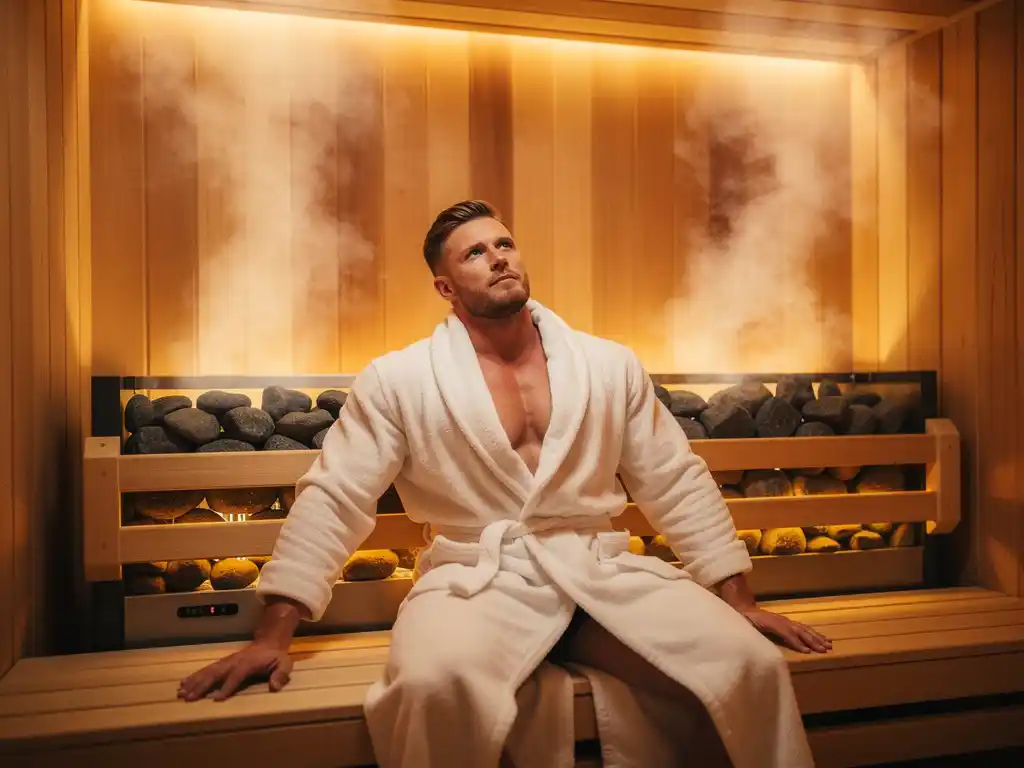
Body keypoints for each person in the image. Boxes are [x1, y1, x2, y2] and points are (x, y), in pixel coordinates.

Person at [178, 200, 830, 767]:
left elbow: (674, 479)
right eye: (474, 253)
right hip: (476, 581)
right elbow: (336, 496)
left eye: (504, 244)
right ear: (444, 286)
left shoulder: (607, 365)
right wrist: (273, 635)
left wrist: (736, 599)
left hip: (598, 573)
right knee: (433, 686)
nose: (497, 258)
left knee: (750, 666)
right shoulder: (401, 379)